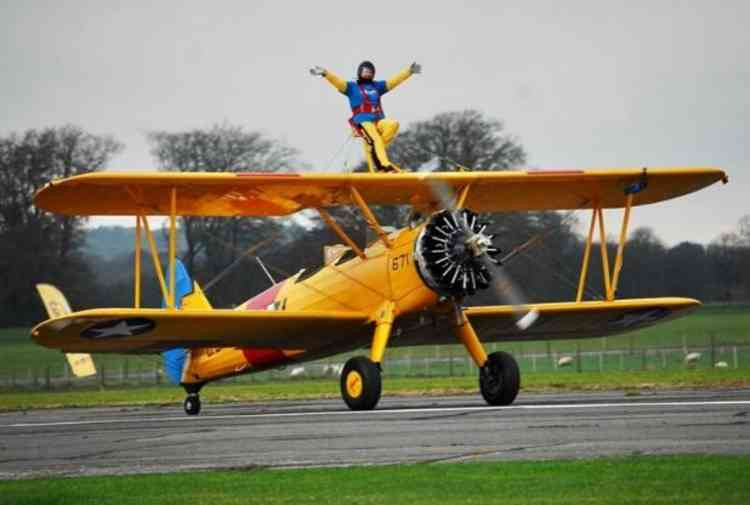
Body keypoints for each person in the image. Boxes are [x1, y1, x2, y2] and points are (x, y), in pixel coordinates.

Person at [311, 61, 421, 173]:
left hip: (378, 119)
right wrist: (325, 73)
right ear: (360, 72)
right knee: (375, 139)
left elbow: (393, 82)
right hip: (362, 121)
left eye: (371, 72)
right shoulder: (351, 87)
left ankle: (375, 151)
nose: (368, 74)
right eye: (366, 71)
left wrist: (409, 71)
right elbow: (337, 81)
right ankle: (384, 165)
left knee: (393, 125)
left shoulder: (377, 86)